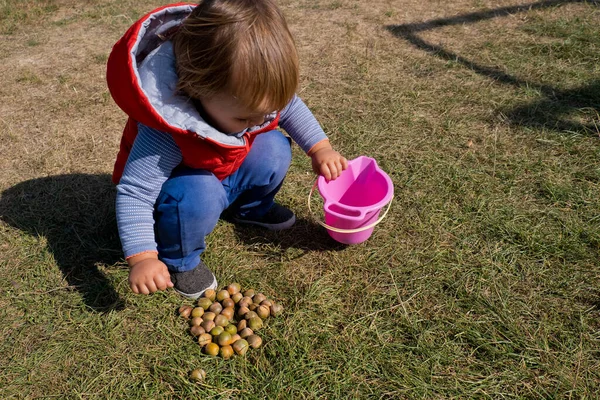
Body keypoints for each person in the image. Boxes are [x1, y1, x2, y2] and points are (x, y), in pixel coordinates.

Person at [106, 0, 348, 299]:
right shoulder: (166, 131)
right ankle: (180, 259)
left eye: (267, 111)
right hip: (178, 200)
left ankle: (248, 210)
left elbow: (291, 108)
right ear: (196, 87)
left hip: (221, 174)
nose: (260, 121)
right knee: (198, 193)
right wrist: (142, 258)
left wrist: (320, 148)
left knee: (273, 147)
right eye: (244, 118)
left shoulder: (245, 98)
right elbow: (136, 193)